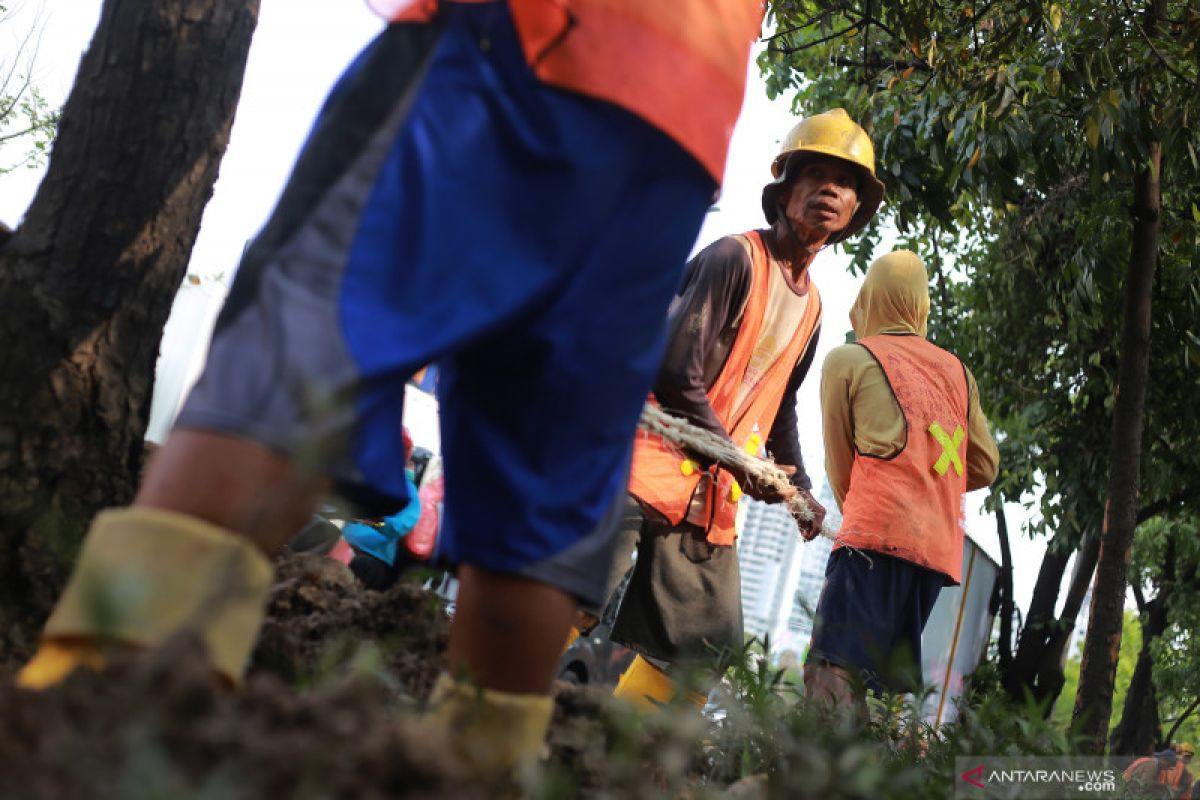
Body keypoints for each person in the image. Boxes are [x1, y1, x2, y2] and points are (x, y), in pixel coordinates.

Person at [16, 0, 764, 780]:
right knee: (548, 465)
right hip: (680, 125)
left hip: (518, 40)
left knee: (306, 344)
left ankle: (101, 707)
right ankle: (473, 769)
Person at [590, 109, 886, 712]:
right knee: (565, 595)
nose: (830, 190)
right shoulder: (734, 259)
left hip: (706, 500)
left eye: (845, 183)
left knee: (699, 659)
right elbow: (676, 371)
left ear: (854, 212)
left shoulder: (813, 310)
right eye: (816, 175)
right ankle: (488, 721)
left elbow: (779, 411)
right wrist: (736, 458)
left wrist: (799, 486)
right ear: (785, 193)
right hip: (637, 465)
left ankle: (608, 756)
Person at [804, 249, 999, 709]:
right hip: (934, 559)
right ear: (921, 304)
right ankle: (865, 775)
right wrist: (929, 483)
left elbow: (840, 466)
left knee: (831, 674)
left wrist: (865, 515)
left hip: (870, 541)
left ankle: (817, 779)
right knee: (875, 688)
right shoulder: (959, 374)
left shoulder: (848, 359)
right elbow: (986, 464)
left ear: (870, 295)